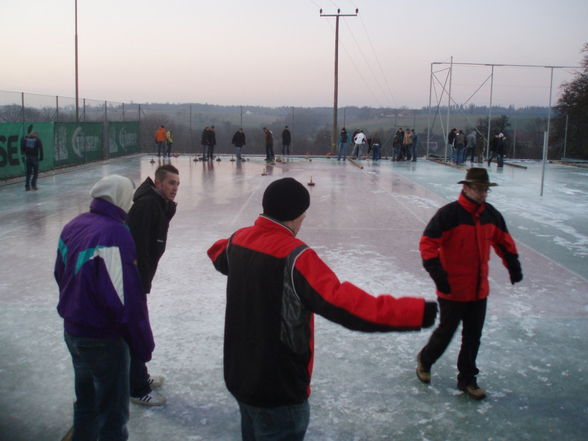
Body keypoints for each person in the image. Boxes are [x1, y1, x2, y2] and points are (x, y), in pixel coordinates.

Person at [207, 177, 438, 441]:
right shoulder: (297, 257)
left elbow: (217, 253)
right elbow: (347, 306)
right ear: (296, 215)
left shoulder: (238, 240)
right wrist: (414, 312)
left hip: (240, 377)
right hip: (278, 388)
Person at [55, 175, 154, 440]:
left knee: (86, 401)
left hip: (73, 331)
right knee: (112, 413)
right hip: (102, 339)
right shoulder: (115, 233)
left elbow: (60, 274)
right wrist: (142, 345)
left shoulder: (74, 224)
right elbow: (125, 298)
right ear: (122, 199)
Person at [416, 168, 522, 400]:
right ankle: (425, 360)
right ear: (465, 187)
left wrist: (513, 265)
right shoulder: (449, 215)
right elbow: (427, 244)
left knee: (473, 337)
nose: (483, 193)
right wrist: (438, 275)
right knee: (446, 333)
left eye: (485, 189)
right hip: (452, 290)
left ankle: (467, 380)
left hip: (479, 291)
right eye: (478, 188)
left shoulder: (491, 215)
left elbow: (504, 242)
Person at [126, 164, 180, 406]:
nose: (175, 188)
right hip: (133, 280)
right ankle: (135, 388)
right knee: (134, 333)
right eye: (171, 183)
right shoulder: (148, 205)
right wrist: (139, 280)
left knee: (136, 332)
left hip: (139, 277)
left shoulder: (158, 204)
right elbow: (136, 246)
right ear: (158, 183)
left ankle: (140, 377)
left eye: (177, 184)